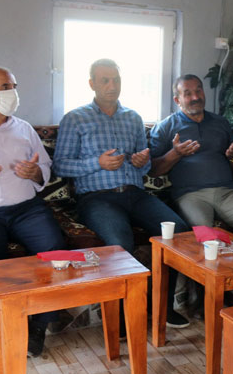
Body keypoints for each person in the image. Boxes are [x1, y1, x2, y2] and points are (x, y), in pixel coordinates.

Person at [53, 59, 190, 329]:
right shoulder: (75, 118)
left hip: (135, 194)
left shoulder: (133, 118)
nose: (112, 85)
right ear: (92, 84)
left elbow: (144, 164)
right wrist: (97, 163)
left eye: (116, 79)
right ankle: (118, 317)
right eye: (104, 80)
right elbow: (60, 165)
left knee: (177, 232)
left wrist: (141, 161)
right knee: (119, 241)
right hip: (97, 197)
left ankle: (160, 305)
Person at [0, 66, 66, 357]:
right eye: (5, 87)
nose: (13, 93)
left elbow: (45, 167)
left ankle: (39, 325)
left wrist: (35, 172)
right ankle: (3, 324)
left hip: (27, 209)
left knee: (54, 250)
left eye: (14, 86)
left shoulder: (24, 128)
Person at [148, 74, 233, 243]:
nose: (195, 97)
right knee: (205, 232)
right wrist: (176, 153)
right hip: (190, 195)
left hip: (226, 192)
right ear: (177, 100)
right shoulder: (165, 127)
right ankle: (210, 261)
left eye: (198, 91)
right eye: (188, 93)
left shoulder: (221, 123)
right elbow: (153, 170)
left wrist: (232, 157)